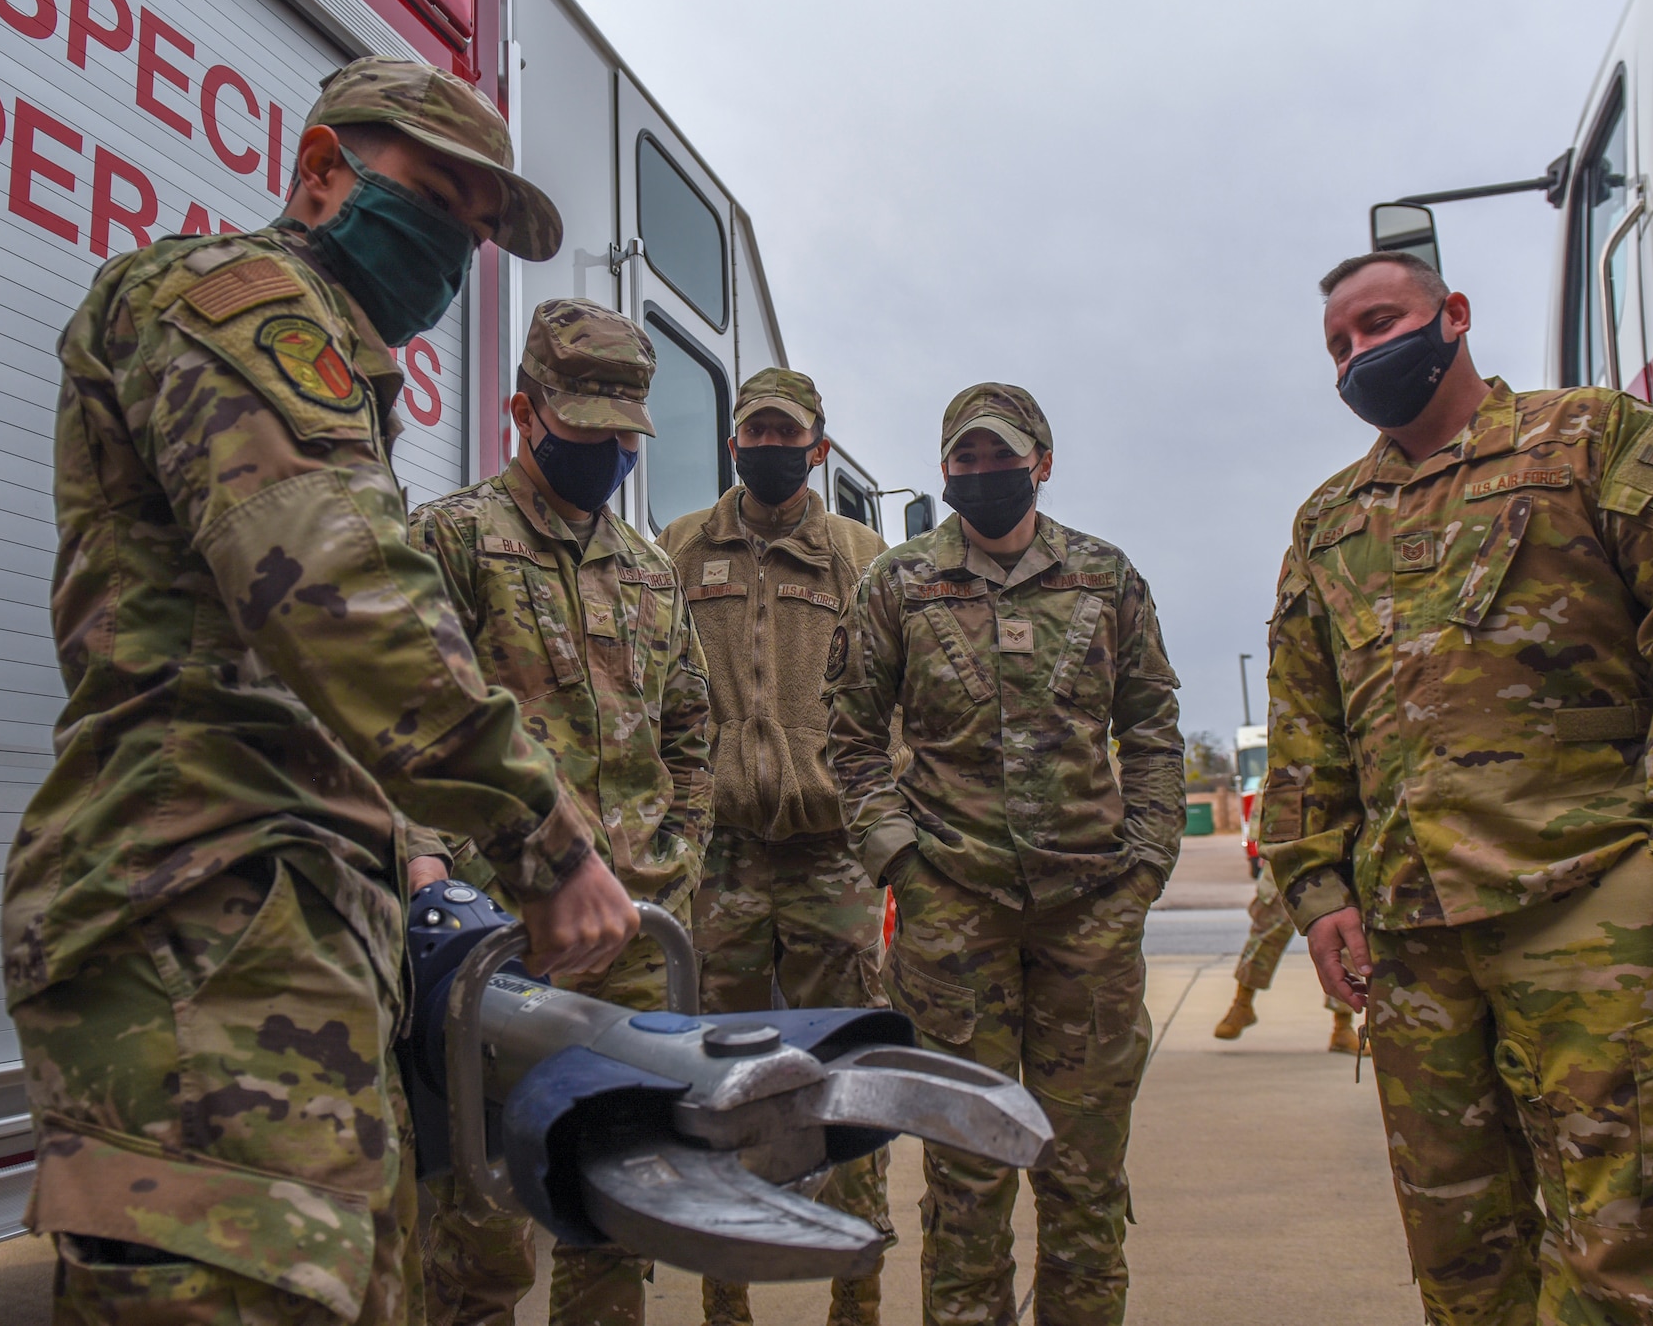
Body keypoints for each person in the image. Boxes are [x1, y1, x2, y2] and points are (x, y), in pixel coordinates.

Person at [3, 57, 639, 1325]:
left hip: (294, 922)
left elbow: (301, 674)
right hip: (197, 916)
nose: (453, 248)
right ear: (317, 173)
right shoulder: (228, 298)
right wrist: (545, 835)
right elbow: (336, 592)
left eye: (474, 230)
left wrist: (409, 864)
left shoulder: (345, 383)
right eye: (435, 199)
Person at [1265, 251, 1653, 1325]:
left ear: (1451, 316)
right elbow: (1305, 731)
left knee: (1620, 1265)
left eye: (1379, 321)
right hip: (1414, 945)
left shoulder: (1593, 441)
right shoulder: (1327, 524)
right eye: (1338, 344)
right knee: (1461, 1266)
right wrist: (1315, 892)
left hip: (1591, 915)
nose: (1360, 352)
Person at [824, 383, 1184, 1326]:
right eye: (965, 460)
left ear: (1043, 462)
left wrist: (1144, 867)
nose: (983, 474)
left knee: (1083, 1179)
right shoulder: (897, 586)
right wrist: (903, 863)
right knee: (966, 1186)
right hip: (955, 917)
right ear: (945, 470)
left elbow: (1152, 730)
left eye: (1001, 456)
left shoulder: (1106, 578)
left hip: (1089, 916)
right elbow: (851, 740)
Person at [408, 296, 713, 1326]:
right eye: (582, 429)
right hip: (497, 935)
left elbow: (687, 729)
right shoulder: (452, 540)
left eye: (621, 434)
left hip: (632, 928)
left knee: (615, 1206)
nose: (604, 451)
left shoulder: (648, 570)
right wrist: (428, 873)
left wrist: (682, 851)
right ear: (520, 410)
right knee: (479, 1221)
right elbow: (397, 723)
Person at [656, 367, 895, 1326]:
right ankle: (728, 1301)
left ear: (818, 448)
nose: (770, 447)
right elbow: (657, 697)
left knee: (847, 1080)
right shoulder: (679, 549)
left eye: (786, 434)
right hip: (719, 862)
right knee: (717, 1087)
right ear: (734, 446)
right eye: (755, 432)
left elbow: (894, 702)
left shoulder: (861, 554)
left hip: (830, 856)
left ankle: (858, 1298)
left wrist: (885, 831)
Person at [1213, 797, 1365, 1052]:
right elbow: (1275, 790)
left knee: (1345, 939)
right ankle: (1242, 1005)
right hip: (1289, 847)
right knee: (1267, 928)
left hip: (1339, 845)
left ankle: (1342, 1026)